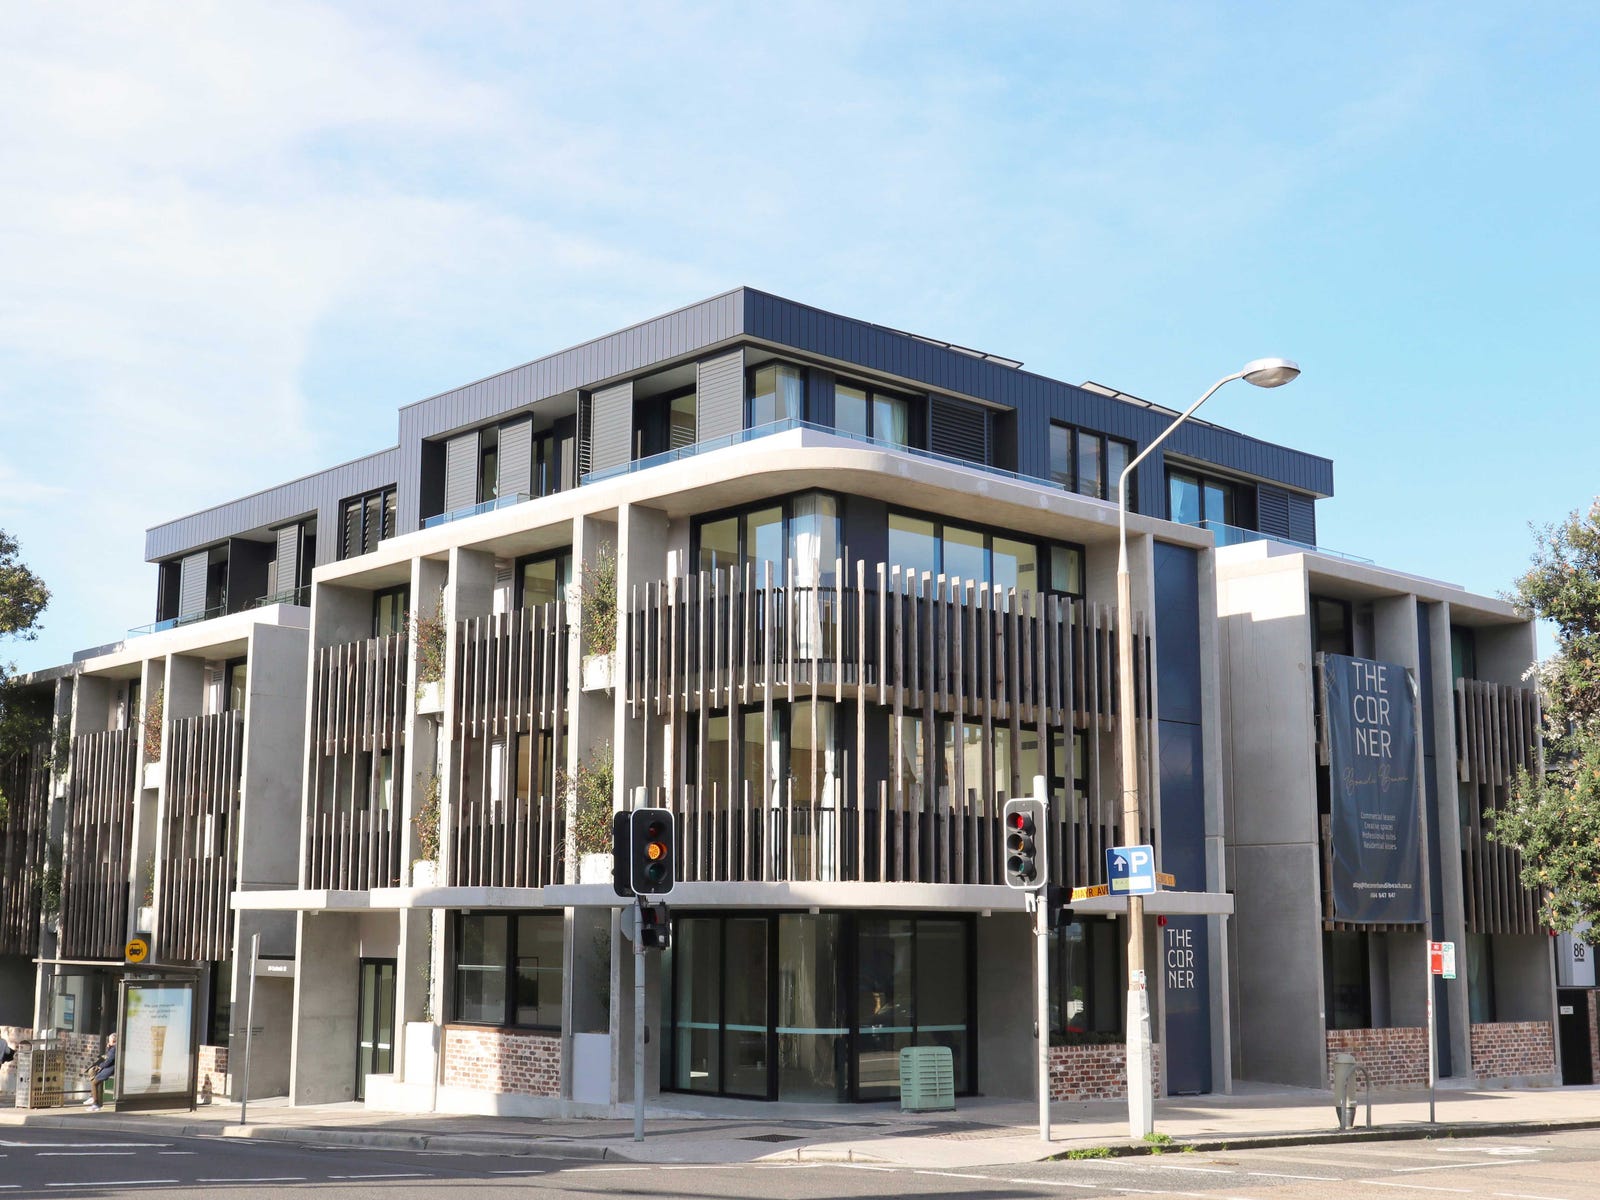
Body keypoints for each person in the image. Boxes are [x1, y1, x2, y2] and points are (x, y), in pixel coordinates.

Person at [87, 1033, 116, 1111]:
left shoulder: (114, 1049)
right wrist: (109, 1047)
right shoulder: (114, 1048)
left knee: (94, 1083)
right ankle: (93, 1097)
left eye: (109, 1041)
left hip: (109, 1069)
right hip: (109, 1068)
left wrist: (100, 1066)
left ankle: (95, 1103)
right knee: (94, 1077)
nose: (108, 1042)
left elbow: (109, 1060)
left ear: (113, 1041)